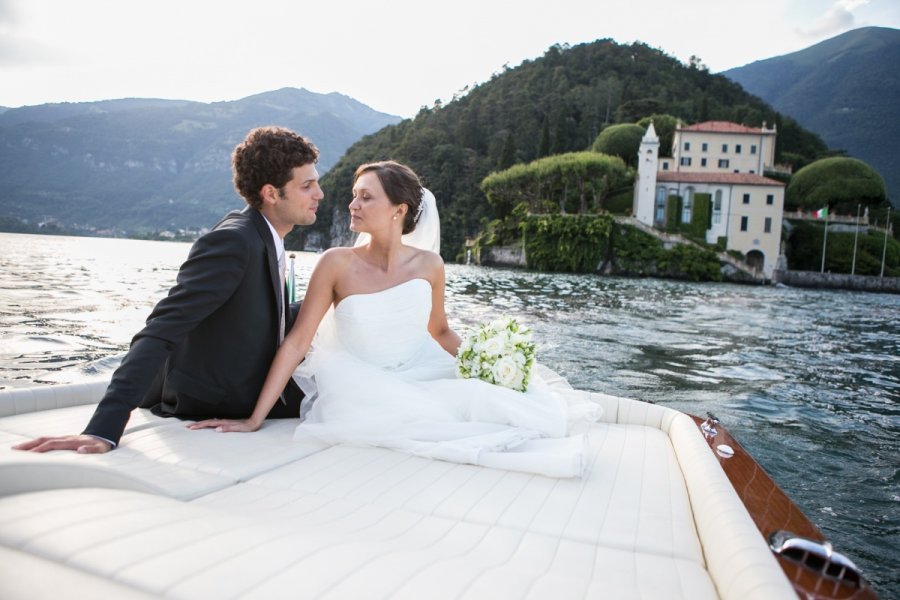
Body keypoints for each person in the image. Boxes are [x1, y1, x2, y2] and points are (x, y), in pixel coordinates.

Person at [190, 161, 600, 477]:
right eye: (354, 195)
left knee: (497, 406)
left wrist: (486, 365)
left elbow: (439, 331)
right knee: (436, 424)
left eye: (366, 197)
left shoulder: (430, 266)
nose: (352, 204)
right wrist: (254, 419)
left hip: (421, 371)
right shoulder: (336, 264)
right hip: (358, 385)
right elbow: (298, 342)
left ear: (398, 210)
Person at [13, 126, 323, 453]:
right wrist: (104, 427)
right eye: (307, 185)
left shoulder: (262, 237)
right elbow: (161, 330)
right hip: (221, 397)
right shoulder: (233, 242)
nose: (320, 194)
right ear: (271, 193)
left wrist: (332, 296)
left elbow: (259, 315)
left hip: (246, 376)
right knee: (350, 397)